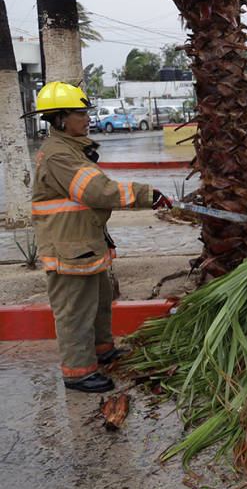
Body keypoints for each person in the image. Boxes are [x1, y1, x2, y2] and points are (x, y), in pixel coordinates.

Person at [25, 82, 171, 393]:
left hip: (84, 243)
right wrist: (146, 194)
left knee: (100, 302)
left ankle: (103, 351)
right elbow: (96, 191)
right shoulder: (58, 155)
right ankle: (78, 373)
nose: (88, 118)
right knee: (75, 311)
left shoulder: (72, 148)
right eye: (81, 113)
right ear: (60, 118)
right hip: (68, 248)